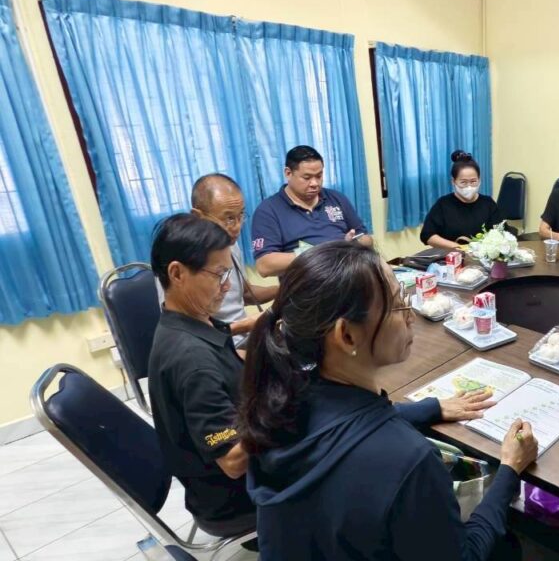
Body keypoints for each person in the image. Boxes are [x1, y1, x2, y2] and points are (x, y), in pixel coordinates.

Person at [238, 241, 538, 560]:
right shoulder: (409, 460)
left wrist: (433, 407)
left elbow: (345, 427)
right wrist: (510, 469)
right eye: (397, 304)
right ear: (347, 336)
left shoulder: (277, 404)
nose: (410, 316)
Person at [149, 214, 256, 538]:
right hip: (235, 502)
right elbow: (234, 462)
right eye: (219, 275)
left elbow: (224, 351)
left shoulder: (187, 321)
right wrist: (282, 405)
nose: (227, 286)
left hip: (215, 487)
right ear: (177, 273)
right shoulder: (192, 362)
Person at [156, 173, 277, 348]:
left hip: (246, 339)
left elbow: (244, 294)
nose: (237, 227)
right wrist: (245, 325)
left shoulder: (230, 245)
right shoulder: (180, 259)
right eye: (228, 218)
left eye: (241, 215)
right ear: (198, 215)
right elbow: (185, 332)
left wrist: (284, 289)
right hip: (216, 347)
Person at [251, 145, 373, 277]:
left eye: (319, 176)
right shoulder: (268, 210)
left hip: (349, 275)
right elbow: (265, 266)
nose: (315, 183)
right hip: (308, 283)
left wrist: (349, 245)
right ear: (288, 173)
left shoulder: (336, 198)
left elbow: (367, 239)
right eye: (307, 177)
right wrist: (320, 252)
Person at [420, 150, 503, 249]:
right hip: (451, 255)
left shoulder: (488, 203)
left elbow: (502, 233)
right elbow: (427, 235)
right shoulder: (443, 204)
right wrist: (460, 248)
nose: (469, 186)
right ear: (453, 181)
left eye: (473, 181)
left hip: (483, 255)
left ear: (479, 180)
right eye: (463, 182)